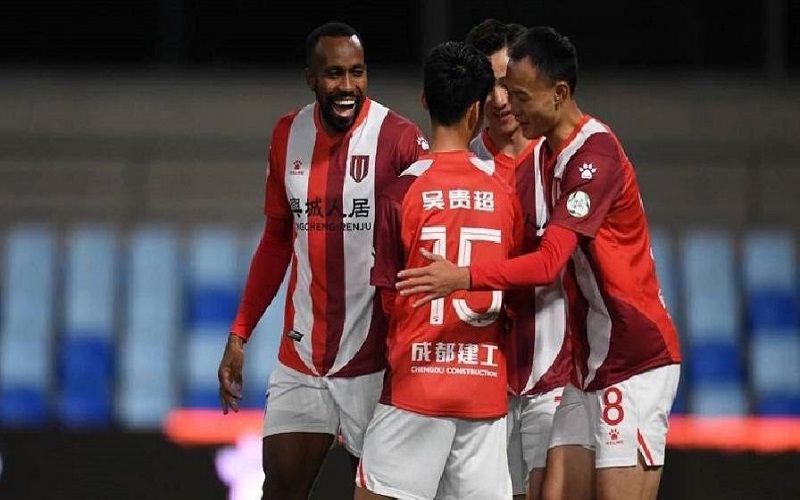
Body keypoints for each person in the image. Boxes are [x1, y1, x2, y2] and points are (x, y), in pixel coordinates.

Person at [396, 26, 681, 500]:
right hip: (587, 367)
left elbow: (548, 263)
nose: (508, 104)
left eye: (521, 95)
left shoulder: (594, 158)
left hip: (632, 359)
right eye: (502, 90)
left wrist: (462, 277)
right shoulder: (547, 155)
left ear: (560, 94)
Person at [217, 21, 428, 499]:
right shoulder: (286, 135)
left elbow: (424, 245)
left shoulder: (399, 139)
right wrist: (240, 332)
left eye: (358, 72)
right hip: (303, 359)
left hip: (376, 362)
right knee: (280, 491)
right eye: (335, 74)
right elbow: (276, 240)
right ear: (311, 78)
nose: (348, 86)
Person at [355, 41, 519, 500]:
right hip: (484, 393)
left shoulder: (400, 192)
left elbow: (388, 300)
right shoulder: (505, 193)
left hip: (417, 387)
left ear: (425, 100)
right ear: (477, 110)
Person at [465, 19, 571, 500]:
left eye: (508, 85)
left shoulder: (565, 164)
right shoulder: (460, 170)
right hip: (481, 382)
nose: (499, 99)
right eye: (488, 86)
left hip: (556, 377)